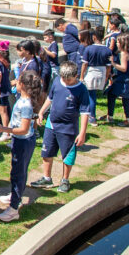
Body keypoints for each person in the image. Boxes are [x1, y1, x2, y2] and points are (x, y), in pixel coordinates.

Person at [0, 71, 45, 222]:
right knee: (16, 171)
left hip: (22, 141)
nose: (14, 83)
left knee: (18, 173)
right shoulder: (23, 99)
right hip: (20, 141)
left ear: (23, 85)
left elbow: (24, 129)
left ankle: (14, 208)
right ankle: (15, 196)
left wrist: (3, 129)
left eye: (17, 81)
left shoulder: (26, 104)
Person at [32, 61, 90, 193]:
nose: (65, 81)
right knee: (46, 152)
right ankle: (47, 178)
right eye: (63, 78)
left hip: (68, 128)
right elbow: (50, 98)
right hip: (51, 124)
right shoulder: (57, 81)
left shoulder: (82, 90)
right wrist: (41, 112)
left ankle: (65, 180)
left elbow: (85, 112)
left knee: (67, 156)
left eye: (68, 79)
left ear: (76, 76)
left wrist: (82, 133)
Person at [79, 26, 112, 124]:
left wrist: (81, 76)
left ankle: (92, 116)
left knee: (90, 95)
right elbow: (109, 66)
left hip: (91, 71)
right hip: (101, 72)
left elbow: (85, 64)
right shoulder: (107, 50)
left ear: (94, 37)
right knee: (93, 94)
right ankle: (90, 115)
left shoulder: (89, 48)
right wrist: (106, 77)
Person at [106, 34, 129, 126]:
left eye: (118, 42)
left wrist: (113, 63)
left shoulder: (123, 54)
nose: (116, 43)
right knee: (126, 99)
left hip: (122, 80)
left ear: (123, 43)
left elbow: (123, 68)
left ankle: (110, 116)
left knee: (111, 95)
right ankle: (128, 118)